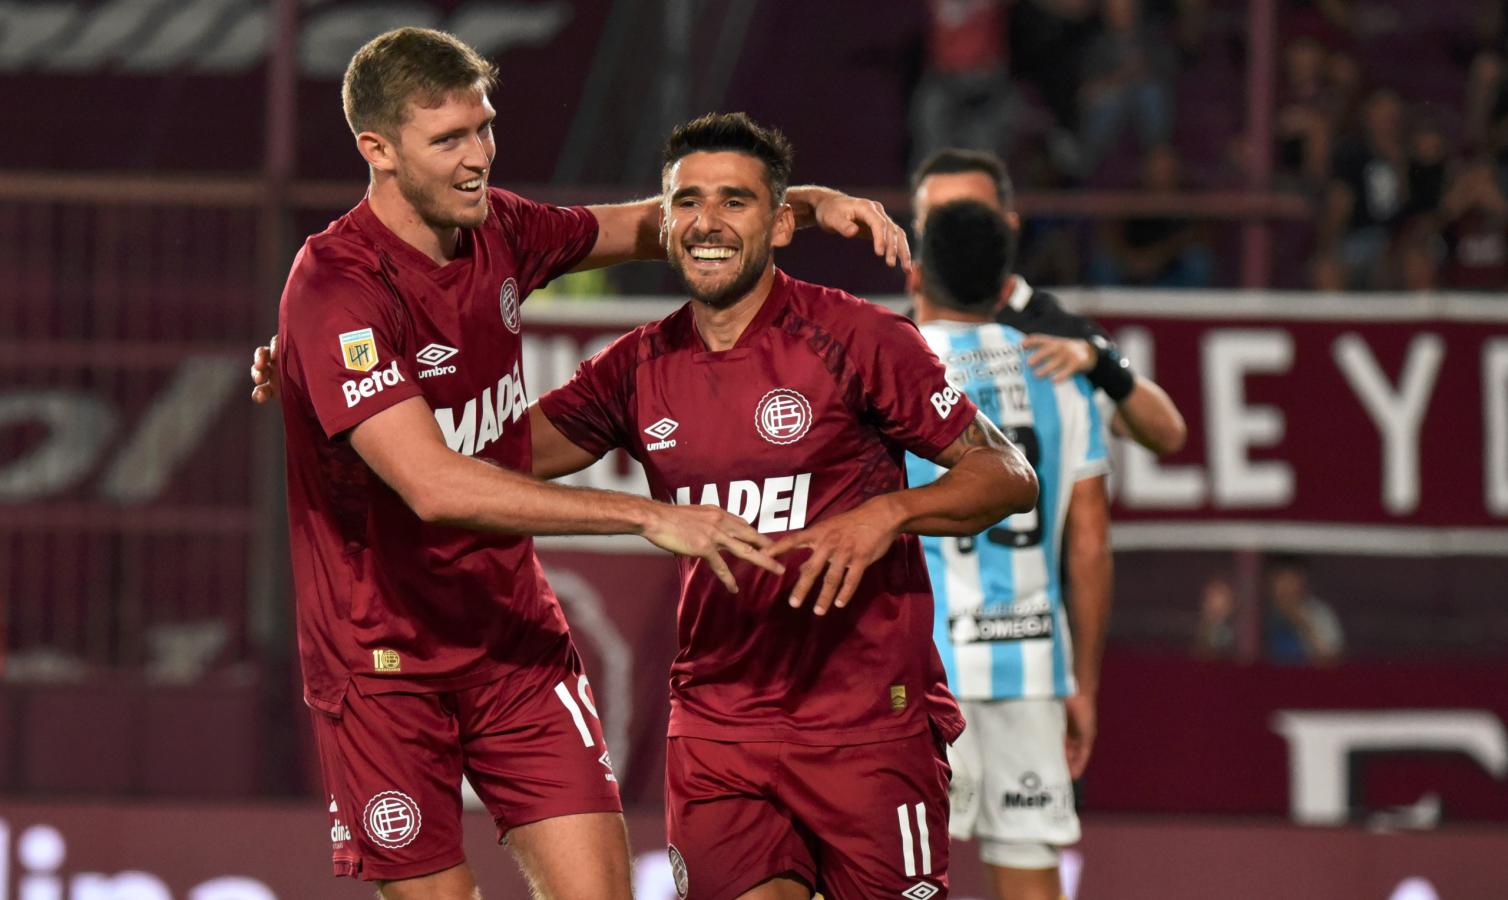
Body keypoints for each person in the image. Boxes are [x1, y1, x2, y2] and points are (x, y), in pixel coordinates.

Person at [266, 27, 917, 899]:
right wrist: (648, 515)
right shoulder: (337, 287)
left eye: (484, 127)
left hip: (511, 638)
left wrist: (796, 199)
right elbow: (430, 485)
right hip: (382, 658)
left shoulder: (500, 227)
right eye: (448, 140)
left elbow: (644, 225)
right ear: (376, 150)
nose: (478, 158)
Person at [531, 113, 1039, 899]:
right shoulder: (635, 367)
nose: (707, 223)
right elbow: (483, 465)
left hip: (868, 724)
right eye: (688, 202)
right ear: (665, 222)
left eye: (735, 202)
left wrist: (888, 515)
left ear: (780, 221)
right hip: (719, 725)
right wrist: (336, 378)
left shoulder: (860, 337)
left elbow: (1007, 473)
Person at [905, 199, 1111, 900]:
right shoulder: (1062, 373)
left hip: (924, 671)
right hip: (1033, 669)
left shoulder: (892, 368)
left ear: (915, 276)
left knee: (895, 870)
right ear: (1003, 288)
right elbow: (1088, 543)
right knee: (1028, 871)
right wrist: (1080, 680)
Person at [909, 147, 1187, 458]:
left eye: (971, 215)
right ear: (919, 232)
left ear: (1009, 225)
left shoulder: (1059, 337)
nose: (954, 231)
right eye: (939, 219)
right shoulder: (899, 339)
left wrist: (1101, 362)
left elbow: (1167, 436)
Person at [1263, 554, 1344, 666]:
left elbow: (1331, 661)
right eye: (1280, 579)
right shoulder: (1258, 614)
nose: (1286, 588)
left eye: (1291, 579)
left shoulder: (1319, 614)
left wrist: (1302, 625)